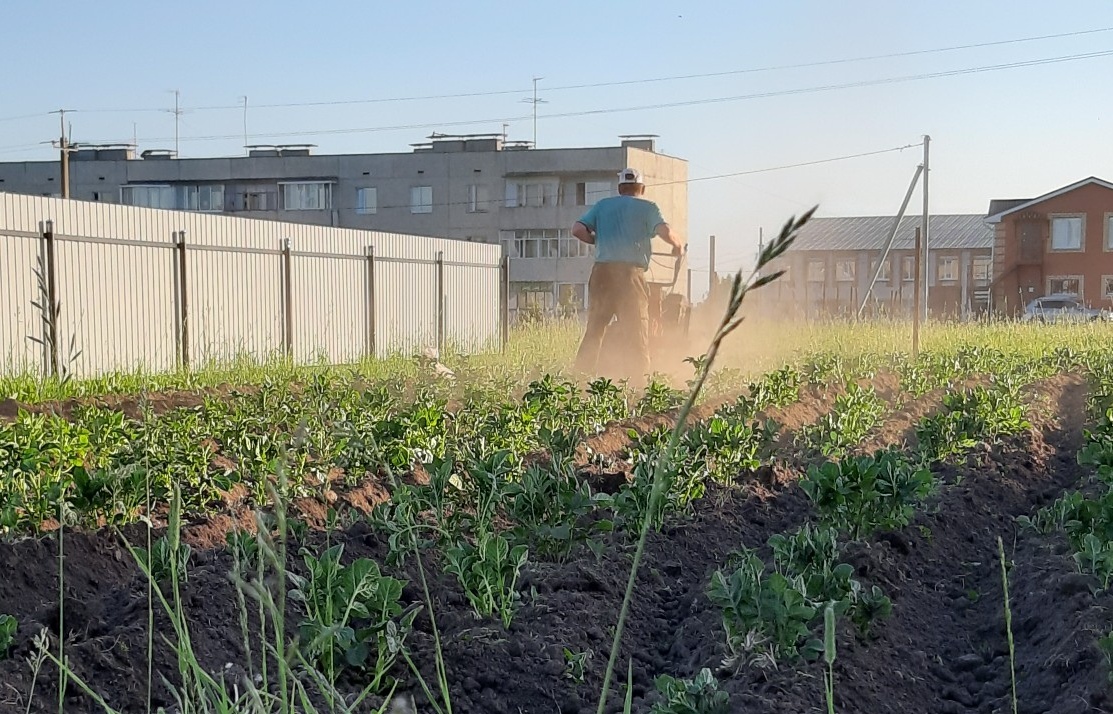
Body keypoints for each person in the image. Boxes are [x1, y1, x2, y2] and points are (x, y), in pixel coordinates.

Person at [571, 167, 684, 383]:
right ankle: (638, 385)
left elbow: (577, 229)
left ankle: (579, 382)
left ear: (620, 188)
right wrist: (677, 246)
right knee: (636, 332)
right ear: (642, 188)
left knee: (595, 329)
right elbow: (665, 232)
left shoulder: (602, 206)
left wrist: (596, 240)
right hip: (630, 277)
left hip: (602, 274)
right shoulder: (648, 208)